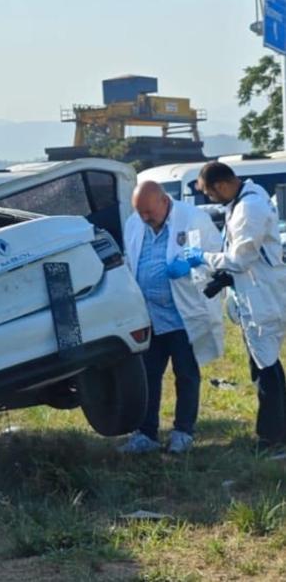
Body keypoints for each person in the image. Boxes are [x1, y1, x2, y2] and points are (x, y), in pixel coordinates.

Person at [119, 181, 223, 454]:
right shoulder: (134, 222)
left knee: (186, 374)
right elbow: (129, 261)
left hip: (183, 315)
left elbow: (216, 259)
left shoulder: (193, 219)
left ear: (164, 201)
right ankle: (146, 434)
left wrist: (192, 263)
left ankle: (183, 432)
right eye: (140, 212)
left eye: (149, 212)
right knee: (148, 376)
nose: (144, 218)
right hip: (149, 316)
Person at [188, 162, 286, 453]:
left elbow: (239, 259)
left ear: (221, 185)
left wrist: (201, 257)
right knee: (264, 366)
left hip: (263, 299)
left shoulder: (250, 208)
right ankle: (275, 432)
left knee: (266, 367)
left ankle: (273, 439)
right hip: (256, 294)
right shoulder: (244, 201)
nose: (210, 200)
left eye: (209, 193)